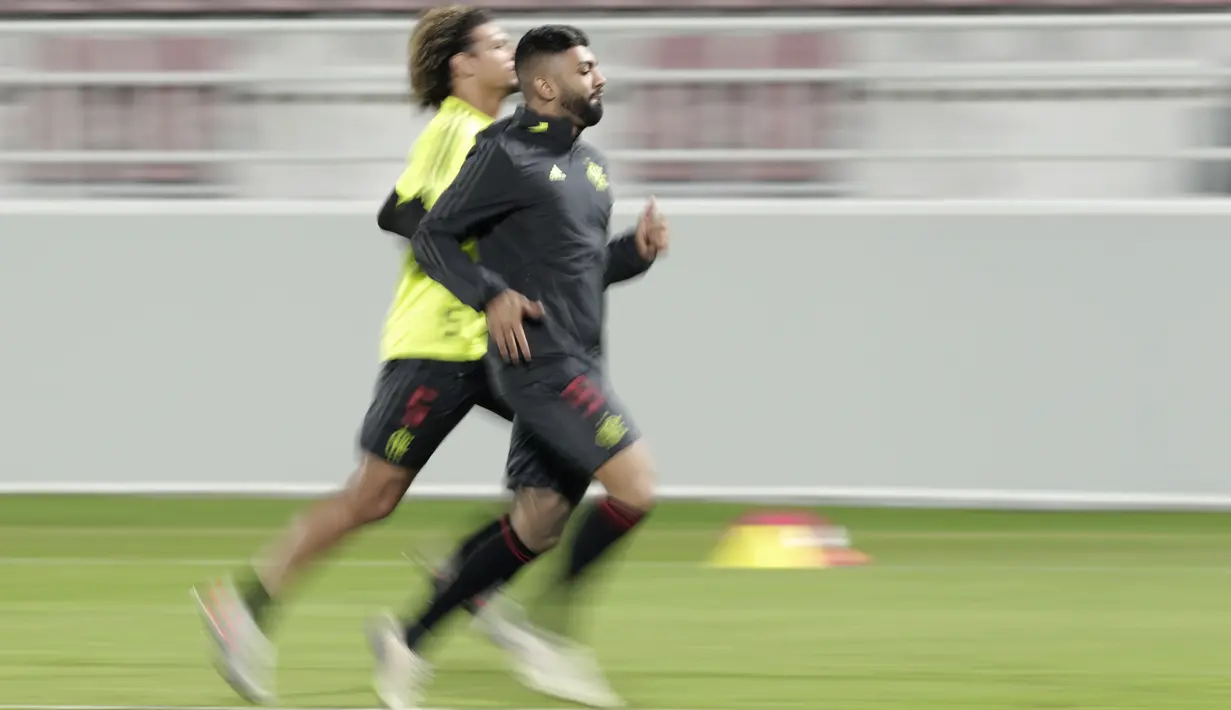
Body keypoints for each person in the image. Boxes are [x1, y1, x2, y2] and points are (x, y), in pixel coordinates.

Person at [189, 7, 572, 704]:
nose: (508, 49)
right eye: (492, 43)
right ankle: (241, 607)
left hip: (490, 346)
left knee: (567, 458)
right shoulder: (453, 129)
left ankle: (466, 576)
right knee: (373, 496)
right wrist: (478, 271)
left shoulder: (499, 138)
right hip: (435, 346)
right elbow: (396, 212)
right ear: (461, 66)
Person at [366, 24, 670, 710]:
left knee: (537, 523)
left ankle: (405, 640)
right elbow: (435, 236)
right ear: (542, 86)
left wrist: (636, 254)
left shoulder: (591, 167)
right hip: (538, 364)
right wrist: (490, 294)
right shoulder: (500, 151)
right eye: (584, 67)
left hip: (582, 358)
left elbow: (583, 272)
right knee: (635, 485)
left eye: (596, 65)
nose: (598, 77)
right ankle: (553, 641)